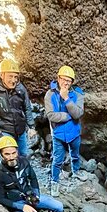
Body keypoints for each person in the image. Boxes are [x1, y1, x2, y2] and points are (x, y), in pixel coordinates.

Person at [44, 65, 86, 197]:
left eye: (69, 80)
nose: (66, 83)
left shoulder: (77, 94)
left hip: (74, 133)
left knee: (75, 154)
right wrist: (67, 116)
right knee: (57, 160)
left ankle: (76, 171)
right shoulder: (50, 95)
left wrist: (66, 99)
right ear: (58, 78)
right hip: (58, 134)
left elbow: (78, 114)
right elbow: (51, 115)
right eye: (64, 79)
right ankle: (55, 181)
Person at [0, 59, 36, 157]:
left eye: (16, 77)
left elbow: (27, 107)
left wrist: (31, 127)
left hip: (20, 129)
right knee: (10, 157)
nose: (14, 80)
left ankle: (23, 172)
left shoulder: (20, 88)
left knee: (23, 155)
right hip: (4, 130)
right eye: (10, 76)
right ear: (2, 75)